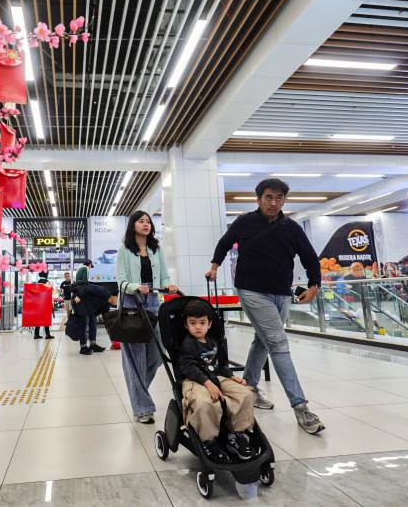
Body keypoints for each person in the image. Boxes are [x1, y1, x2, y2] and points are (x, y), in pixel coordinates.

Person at [207, 178, 325, 435]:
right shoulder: (244, 222)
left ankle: (248, 387)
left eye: (279, 198)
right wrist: (215, 265)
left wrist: (315, 285)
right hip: (251, 289)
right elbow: (224, 243)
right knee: (279, 343)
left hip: (281, 293)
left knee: (263, 341)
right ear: (259, 199)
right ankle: (301, 406)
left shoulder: (292, 228)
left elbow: (309, 257)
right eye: (269, 197)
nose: (274, 202)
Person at [117, 210, 178, 424]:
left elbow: (164, 274)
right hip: (130, 303)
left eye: (148, 221)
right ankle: (143, 408)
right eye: (141, 221)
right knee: (135, 359)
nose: (146, 224)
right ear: (133, 225)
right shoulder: (125, 249)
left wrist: (169, 283)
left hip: (153, 301)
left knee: (156, 354)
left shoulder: (156, 248)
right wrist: (137, 287)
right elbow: (121, 281)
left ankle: (138, 392)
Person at [178, 300, 256, 463]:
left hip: (216, 377)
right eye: (193, 323)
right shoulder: (188, 344)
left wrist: (231, 376)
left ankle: (236, 433)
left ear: (209, 324)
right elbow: (188, 368)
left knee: (246, 394)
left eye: (202, 323)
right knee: (205, 403)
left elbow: (221, 365)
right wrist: (207, 383)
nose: (198, 327)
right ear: (185, 325)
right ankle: (208, 441)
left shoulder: (213, 341)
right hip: (195, 380)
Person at [69, 281, 114, 355]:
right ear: (112, 296)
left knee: (93, 322)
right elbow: (88, 288)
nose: (116, 302)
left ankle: (93, 345)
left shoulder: (108, 303)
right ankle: (83, 347)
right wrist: (78, 296)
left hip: (88, 304)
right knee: (84, 323)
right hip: (78, 300)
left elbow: (103, 314)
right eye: (115, 299)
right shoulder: (104, 291)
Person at [33, 271, 54, 340]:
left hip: (38, 302)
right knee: (46, 318)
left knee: (38, 318)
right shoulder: (46, 281)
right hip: (45, 302)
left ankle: (36, 334)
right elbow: (50, 290)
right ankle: (47, 334)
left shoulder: (38, 281)